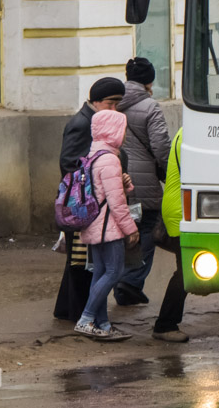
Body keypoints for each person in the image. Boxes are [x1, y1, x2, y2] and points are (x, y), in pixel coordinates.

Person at [54, 77, 127, 323]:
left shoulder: (95, 120)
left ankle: (67, 311)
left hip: (88, 203)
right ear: (96, 101)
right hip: (84, 205)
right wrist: (97, 173)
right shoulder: (82, 123)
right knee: (81, 263)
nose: (114, 109)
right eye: (111, 103)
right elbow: (68, 162)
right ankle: (81, 315)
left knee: (79, 260)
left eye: (119, 104)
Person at [75, 109, 140, 341]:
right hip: (108, 227)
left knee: (100, 272)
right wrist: (130, 229)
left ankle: (102, 324)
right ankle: (86, 319)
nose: (124, 134)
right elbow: (117, 202)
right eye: (122, 129)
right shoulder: (110, 159)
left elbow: (108, 191)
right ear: (113, 131)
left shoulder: (93, 155)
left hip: (93, 223)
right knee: (114, 272)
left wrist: (126, 185)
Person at [114, 57, 172, 306]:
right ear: (149, 81)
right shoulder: (150, 107)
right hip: (143, 183)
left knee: (122, 228)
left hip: (114, 178)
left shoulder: (111, 103)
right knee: (148, 228)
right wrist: (172, 172)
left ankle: (120, 282)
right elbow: (161, 148)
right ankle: (130, 281)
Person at [153, 129, 190, 343]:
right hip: (180, 210)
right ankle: (165, 324)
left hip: (179, 207)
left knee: (185, 270)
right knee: (185, 272)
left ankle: (166, 323)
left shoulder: (186, 132)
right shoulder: (190, 135)